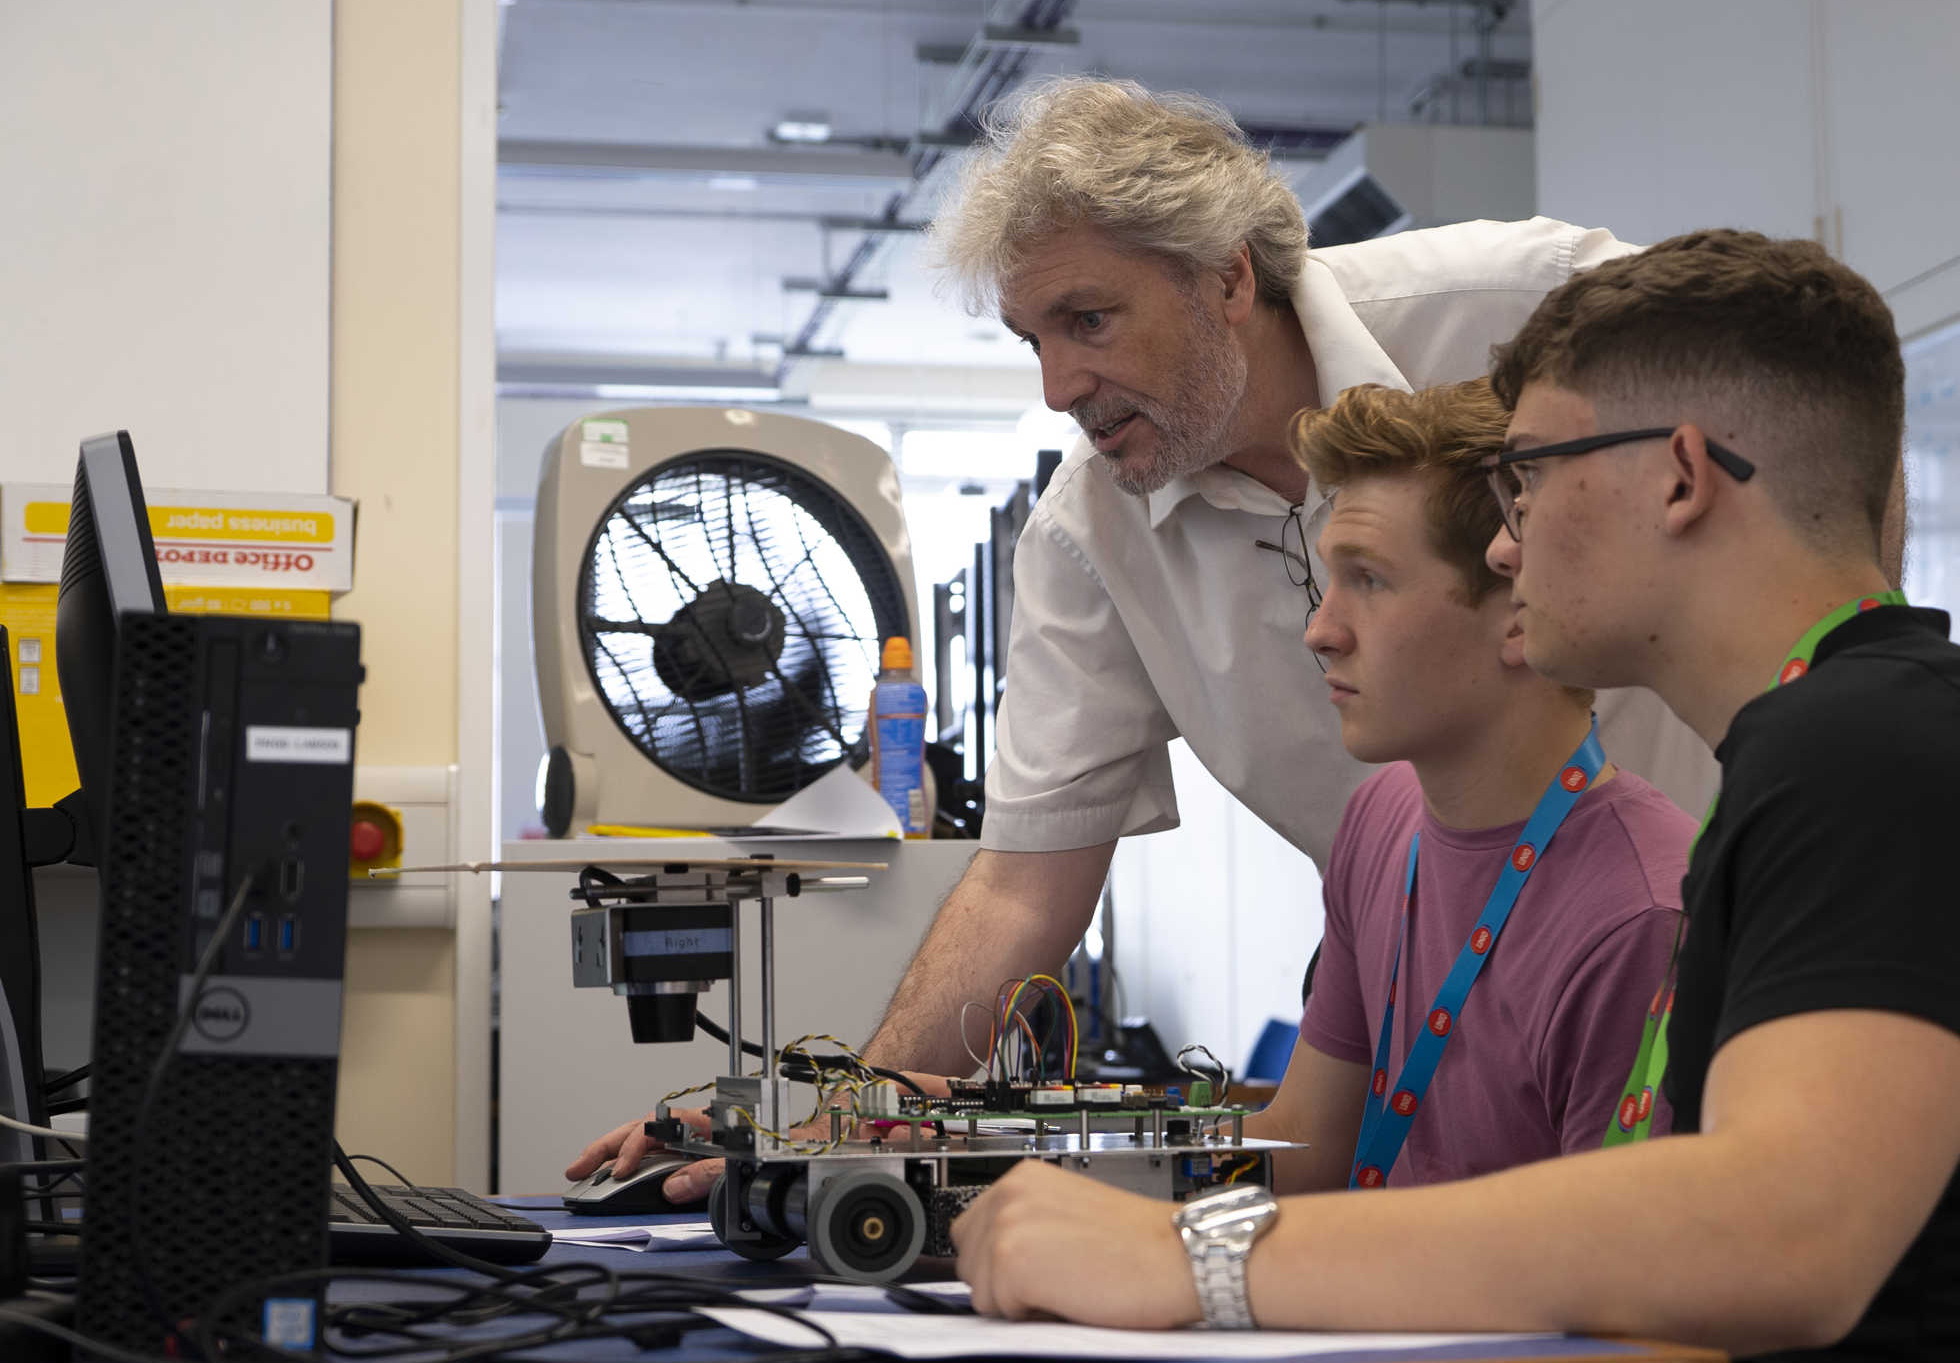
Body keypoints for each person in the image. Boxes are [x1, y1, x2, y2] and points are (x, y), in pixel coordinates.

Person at [950, 230, 1960, 1363]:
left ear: (1683, 479)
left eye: (1528, 475)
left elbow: (1777, 1231)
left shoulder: (1891, 755)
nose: (1501, 538)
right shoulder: (1817, 748)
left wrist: (1200, 1258)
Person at [567, 76, 1719, 1203]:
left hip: (1698, 933)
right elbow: (1026, 880)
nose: (1061, 384)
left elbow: (1809, 466)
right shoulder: (1091, 536)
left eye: (1090, 319)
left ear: (1228, 279)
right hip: (1429, 981)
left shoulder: (1530, 309)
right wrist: (837, 1136)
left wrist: (1824, 756)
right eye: (1032, 340)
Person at [1243, 377, 1691, 1195]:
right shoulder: (1381, 817)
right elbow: (1302, 1147)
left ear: (1520, 609)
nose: (1321, 630)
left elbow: (1608, 1282)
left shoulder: (1642, 914)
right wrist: (1029, 1162)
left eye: (1369, 580)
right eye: (1326, 581)